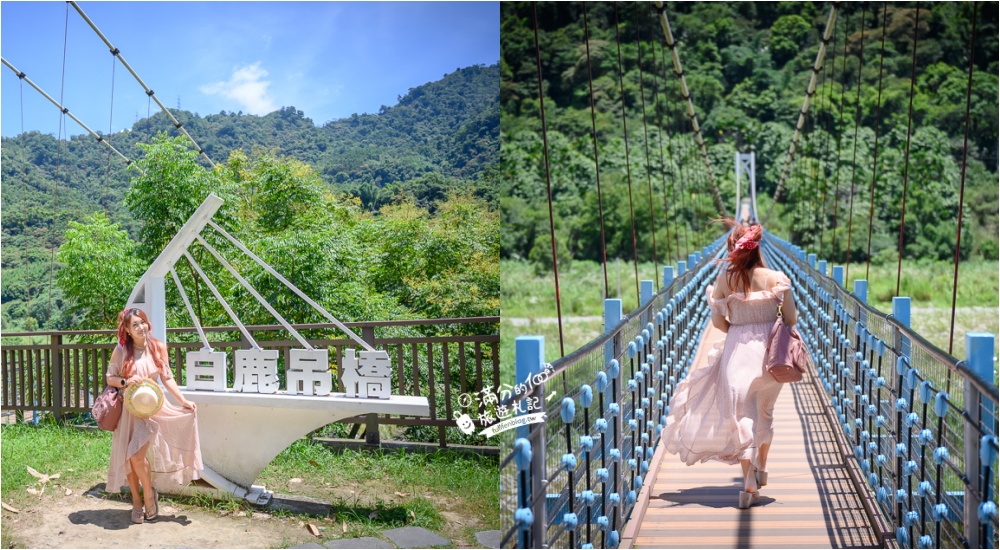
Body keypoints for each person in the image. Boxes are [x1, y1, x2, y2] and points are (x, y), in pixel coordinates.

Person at [663, 221, 798, 509]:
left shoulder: (725, 281)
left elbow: (719, 323)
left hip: (737, 357)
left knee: (742, 416)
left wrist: (740, 326)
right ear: (757, 246)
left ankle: (749, 478)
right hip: (771, 358)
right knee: (766, 411)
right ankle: (763, 463)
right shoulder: (777, 278)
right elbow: (791, 319)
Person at [106, 307, 203, 524]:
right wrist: (125, 381)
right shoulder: (121, 350)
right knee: (128, 459)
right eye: (135, 325)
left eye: (143, 322)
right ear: (128, 330)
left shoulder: (158, 347)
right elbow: (110, 378)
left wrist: (183, 401)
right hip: (128, 411)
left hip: (150, 410)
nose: (141, 327)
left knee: (136, 457)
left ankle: (148, 494)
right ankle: (137, 501)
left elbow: (167, 377)